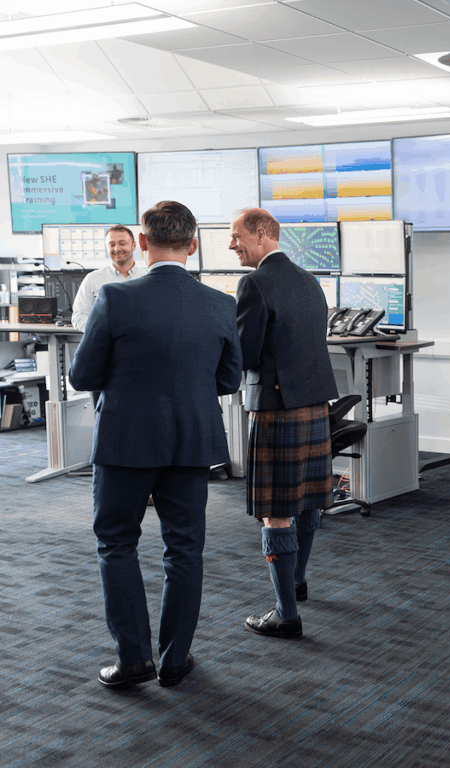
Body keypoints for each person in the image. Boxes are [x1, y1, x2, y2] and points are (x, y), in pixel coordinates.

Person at [68, 201, 242, 689]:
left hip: (125, 442)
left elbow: (82, 374)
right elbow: (228, 379)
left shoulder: (116, 298)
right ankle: (174, 660)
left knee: (116, 544)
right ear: (193, 245)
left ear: (141, 244)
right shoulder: (221, 304)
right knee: (184, 550)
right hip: (191, 442)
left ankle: (133, 660)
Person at [232, 208, 338, 640]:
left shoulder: (254, 283)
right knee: (308, 503)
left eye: (237, 236)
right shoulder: (310, 279)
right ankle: (297, 582)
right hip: (314, 406)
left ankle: (286, 613)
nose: (232, 244)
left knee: (276, 514)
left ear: (262, 234)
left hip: (276, 410)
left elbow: (248, 354)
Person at [71, 225, 146, 331]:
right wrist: (102, 331)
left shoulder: (147, 277)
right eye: (112, 244)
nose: (117, 249)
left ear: (134, 245)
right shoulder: (93, 279)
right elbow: (79, 317)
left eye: (122, 243)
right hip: (105, 344)